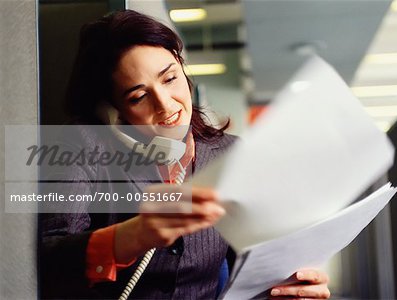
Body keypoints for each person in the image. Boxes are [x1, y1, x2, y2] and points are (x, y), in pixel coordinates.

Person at [38, 10, 331, 299]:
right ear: (112, 111)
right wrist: (131, 236)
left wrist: (288, 286)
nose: (165, 105)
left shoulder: (231, 153)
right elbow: (49, 258)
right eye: (138, 97)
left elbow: (253, 264)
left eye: (170, 79)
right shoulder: (82, 143)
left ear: (181, 66)